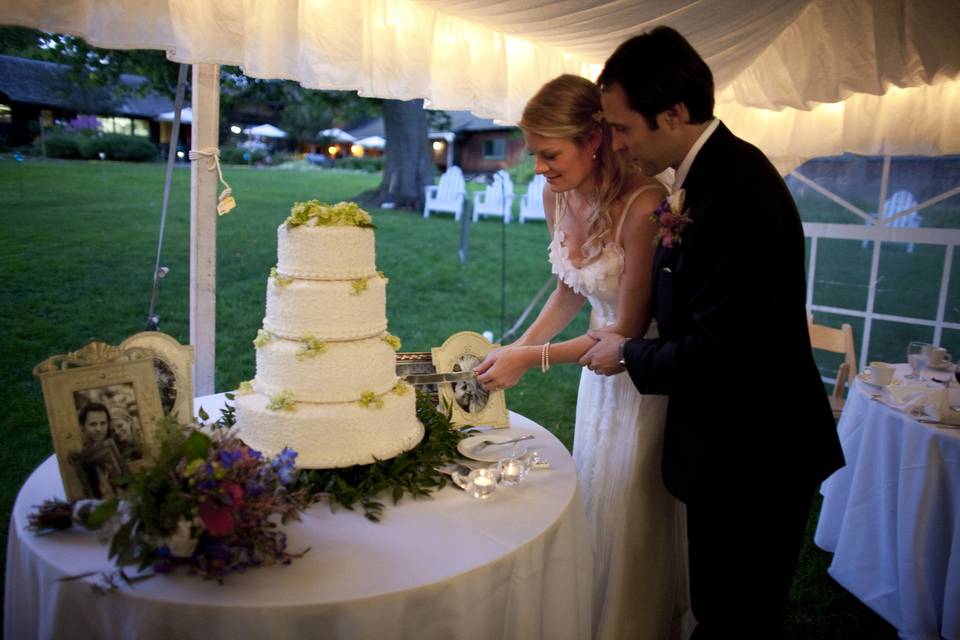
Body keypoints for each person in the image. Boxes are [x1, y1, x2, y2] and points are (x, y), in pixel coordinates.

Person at [580, 26, 845, 638]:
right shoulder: (707, 175)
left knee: (736, 615)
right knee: (721, 607)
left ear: (672, 113)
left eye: (622, 128)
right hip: (734, 442)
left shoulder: (736, 192)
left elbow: (728, 352)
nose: (615, 145)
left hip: (756, 451)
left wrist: (631, 352)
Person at [474, 73, 690, 639]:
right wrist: (516, 348)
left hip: (640, 373)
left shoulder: (645, 205)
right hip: (596, 374)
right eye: (533, 153)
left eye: (550, 153)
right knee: (595, 490)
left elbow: (628, 328)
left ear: (593, 141)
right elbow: (571, 288)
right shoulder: (558, 194)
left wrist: (534, 358)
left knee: (631, 500)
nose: (538, 167)